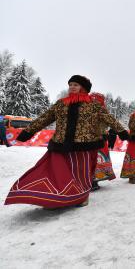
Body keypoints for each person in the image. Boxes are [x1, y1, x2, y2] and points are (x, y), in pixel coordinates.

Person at [4, 75, 128, 209]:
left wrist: (122, 132)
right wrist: (28, 132)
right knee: (55, 171)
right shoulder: (61, 103)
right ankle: (54, 196)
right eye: (70, 85)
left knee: (82, 173)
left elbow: (110, 119)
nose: (72, 87)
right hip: (60, 143)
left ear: (83, 88)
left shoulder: (94, 105)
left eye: (75, 84)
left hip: (85, 144)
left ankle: (82, 196)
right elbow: (44, 118)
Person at [90, 92, 117, 191]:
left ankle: (95, 180)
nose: (94, 102)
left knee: (98, 160)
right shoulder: (86, 110)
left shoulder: (104, 112)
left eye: (96, 100)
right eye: (92, 99)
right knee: (89, 160)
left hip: (100, 139)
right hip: (88, 140)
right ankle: (89, 180)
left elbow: (111, 123)